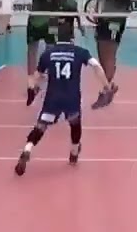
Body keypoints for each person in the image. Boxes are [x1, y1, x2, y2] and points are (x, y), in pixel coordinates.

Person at [14, 20, 110, 176]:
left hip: (52, 98)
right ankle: (74, 153)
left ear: (57, 37)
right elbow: (96, 66)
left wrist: (31, 89)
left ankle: (27, 149)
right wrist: (106, 86)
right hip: (71, 97)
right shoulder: (80, 52)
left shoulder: (48, 54)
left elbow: (36, 76)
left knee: (40, 127)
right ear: (72, 37)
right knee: (75, 124)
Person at [25, 0, 69, 100]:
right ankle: (53, 84)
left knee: (32, 49)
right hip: (50, 15)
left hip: (35, 14)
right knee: (52, 49)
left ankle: (31, 84)